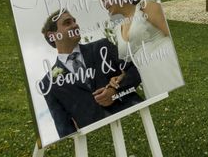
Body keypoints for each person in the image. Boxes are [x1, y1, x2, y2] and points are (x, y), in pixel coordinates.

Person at [37, 10, 143, 138]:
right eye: (67, 23)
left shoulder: (102, 47)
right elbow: (64, 128)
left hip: (136, 119)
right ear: (52, 36)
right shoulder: (48, 83)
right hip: (100, 140)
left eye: (74, 21)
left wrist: (116, 92)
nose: (75, 25)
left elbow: (135, 70)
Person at [98, 0, 184, 99]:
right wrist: (121, 77)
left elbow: (172, 35)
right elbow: (131, 62)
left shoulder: (146, 7)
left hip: (167, 64)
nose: (103, 4)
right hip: (149, 78)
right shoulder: (118, 29)